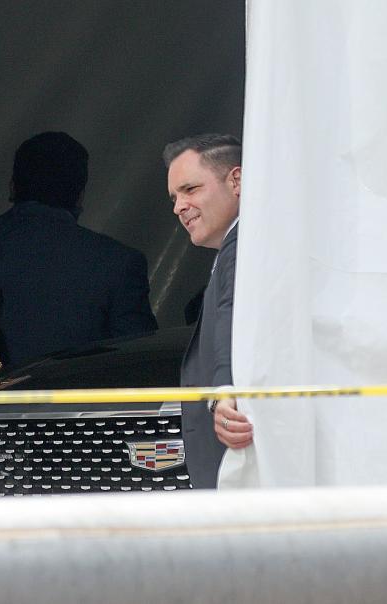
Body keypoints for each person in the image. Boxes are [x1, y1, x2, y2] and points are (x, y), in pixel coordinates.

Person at [0, 131, 159, 393]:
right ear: (80, 195)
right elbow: (138, 370)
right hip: (64, 428)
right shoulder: (118, 263)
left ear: (12, 186)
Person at [163, 133, 253, 489]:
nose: (178, 207)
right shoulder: (233, 247)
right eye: (174, 197)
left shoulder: (243, 244)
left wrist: (224, 392)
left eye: (190, 189)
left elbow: (234, 317)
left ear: (236, 181)